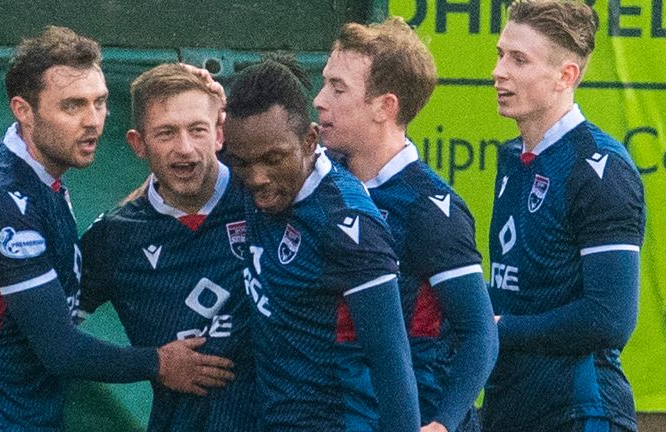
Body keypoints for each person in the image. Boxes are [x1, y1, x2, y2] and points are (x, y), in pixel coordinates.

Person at [0, 26, 231, 431]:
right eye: (72, 106)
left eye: (100, 102)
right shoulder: (2, 193)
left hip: (22, 413)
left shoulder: (38, 177)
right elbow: (59, 348)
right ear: (23, 110)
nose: (92, 121)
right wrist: (159, 362)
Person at [313, 18, 497, 432]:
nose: (320, 100)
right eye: (324, 83)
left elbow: (481, 333)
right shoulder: (319, 183)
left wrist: (442, 424)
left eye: (338, 88)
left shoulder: (430, 208)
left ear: (385, 106)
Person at [221, 55, 421, 431]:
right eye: (243, 163)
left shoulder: (349, 227)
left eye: (273, 159)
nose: (257, 177)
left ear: (310, 140)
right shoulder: (255, 174)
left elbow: (392, 364)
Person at [484, 0, 646, 431]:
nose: (500, 71)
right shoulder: (512, 158)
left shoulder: (599, 169)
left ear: (566, 75)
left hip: (579, 411)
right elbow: (521, 292)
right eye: (501, 54)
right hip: (510, 407)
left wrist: (495, 327)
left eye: (519, 59)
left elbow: (609, 319)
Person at [78, 63, 256, 431]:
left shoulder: (264, 198)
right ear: (137, 144)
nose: (185, 149)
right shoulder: (116, 236)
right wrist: (152, 362)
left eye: (197, 130)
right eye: (166, 133)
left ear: (220, 134)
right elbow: (46, 336)